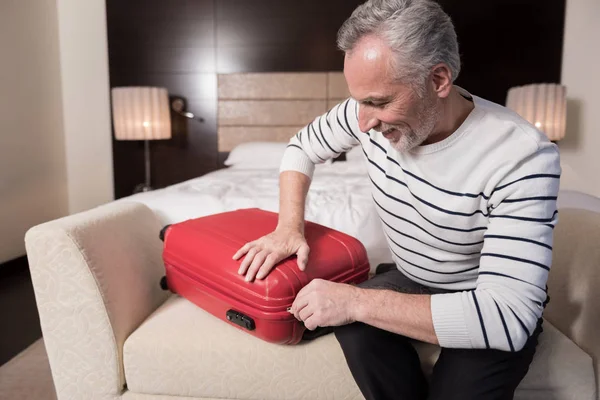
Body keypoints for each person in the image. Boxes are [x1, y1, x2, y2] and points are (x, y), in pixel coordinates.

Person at [232, 0, 561, 398]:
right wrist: (288, 227)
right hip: (409, 276)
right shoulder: (361, 115)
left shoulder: (522, 155)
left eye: (380, 102)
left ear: (438, 79)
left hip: (480, 294)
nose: (364, 123)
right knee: (353, 332)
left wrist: (354, 302)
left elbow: (507, 318)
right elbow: (301, 147)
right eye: (359, 101)